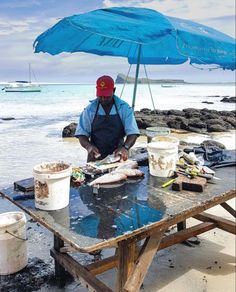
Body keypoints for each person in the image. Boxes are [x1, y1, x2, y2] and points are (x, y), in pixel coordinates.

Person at [75, 75, 140, 162]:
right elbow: (82, 134)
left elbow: (133, 133)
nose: (103, 99)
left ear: (114, 90)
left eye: (106, 96)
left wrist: (125, 147)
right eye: (100, 96)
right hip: (95, 158)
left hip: (118, 156)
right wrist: (89, 147)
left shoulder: (124, 108)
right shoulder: (89, 110)